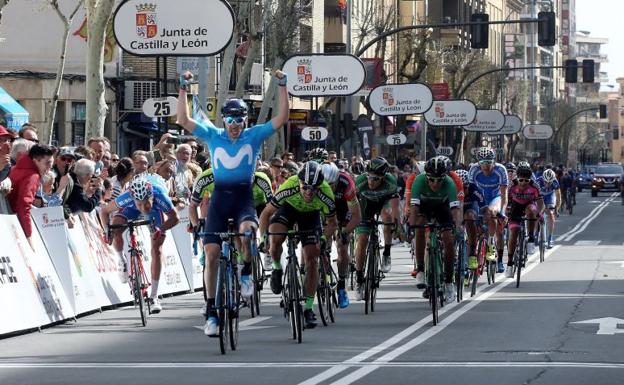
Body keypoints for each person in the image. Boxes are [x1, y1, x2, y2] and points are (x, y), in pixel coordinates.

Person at [176, 69, 289, 337]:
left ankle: (247, 271)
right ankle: (212, 311)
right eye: (230, 119)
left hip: (243, 198)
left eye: (239, 119)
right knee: (212, 255)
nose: (235, 124)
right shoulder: (213, 135)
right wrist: (183, 88)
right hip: (218, 201)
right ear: (224, 120)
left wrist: (282, 85)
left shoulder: (254, 135)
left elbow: (282, 117)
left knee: (249, 232)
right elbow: (183, 119)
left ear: (245, 121)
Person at [259, 161, 338, 328]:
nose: (309, 192)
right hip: (288, 209)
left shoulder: (326, 193)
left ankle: (308, 308)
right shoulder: (290, 185)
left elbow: (332, 223)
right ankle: (277, 268)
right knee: (276, 238)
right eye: (305, 187)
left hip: (310, 217)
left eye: (313, 188)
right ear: (299, 182)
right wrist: (263, 237)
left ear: (320, 186)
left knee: (312, 260)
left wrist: (323, 238)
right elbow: (266, 213)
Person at [100, 176, 180, 314]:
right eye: (140, 204)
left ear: (151, 197)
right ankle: (121, 259)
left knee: (156, 249)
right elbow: (104, 211)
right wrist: (107, 231)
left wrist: (160, 229)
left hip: (155, 211)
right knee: (115, 227)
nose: (143, 207)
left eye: (146, 203)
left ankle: (154, 297)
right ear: (133, 198)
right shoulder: (127, 197)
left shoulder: (159, 196)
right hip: (131, 209)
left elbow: (175, 218)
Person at [408, 157, 463, 302]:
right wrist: (411, 227)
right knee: (419, 227)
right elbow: (414, 207)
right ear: (426, 177)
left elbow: (455, 210)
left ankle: (449, 281)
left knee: (448, 240)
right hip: (424, 207)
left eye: (439, 180)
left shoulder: (449, 183)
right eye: (432, 180)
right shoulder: (419, 181)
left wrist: (457, 227)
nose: (435, 183)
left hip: (442, 208)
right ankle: (420, 269)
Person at [354, 157, 400, 300]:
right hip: (365, 205)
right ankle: (359, 278)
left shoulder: (390, 181)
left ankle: (386, 252)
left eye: (375, 178)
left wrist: (396, 224)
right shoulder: (360, 181)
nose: (371, 181)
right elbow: (352, 203)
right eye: (369, 177)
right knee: (362, 241)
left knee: (387, 217)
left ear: (383, 177)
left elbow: (395, 206)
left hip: (383, 203)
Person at [321, 161, 360, 309]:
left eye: (332, 184)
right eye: (326, 184)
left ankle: (342, 286)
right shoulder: (316, 185)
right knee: (318, 242)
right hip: (323, 210)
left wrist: (344, 232)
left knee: (342, 247)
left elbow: (356, 215)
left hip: (343, 209)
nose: (328, 188)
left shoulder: (346, 182)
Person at [468, 148, 509, 273]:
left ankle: (493, 248)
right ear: (478, 162)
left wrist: (502, 212)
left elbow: (504, 195)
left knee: (492, 215)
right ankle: (471, 255)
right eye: (483, 162)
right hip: (479, 197)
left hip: (495, 198)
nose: (486, 166)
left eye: (488, 162)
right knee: (470, 220)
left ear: (494, 161)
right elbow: (470, 191)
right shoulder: (474, 169)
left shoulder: (500, 170)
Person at [7, 144, 55, 244]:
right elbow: (24, 205)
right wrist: (28, 235)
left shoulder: (15, 168)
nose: (49, 168)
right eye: (47, 163)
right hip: (12, 223)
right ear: (35, 160)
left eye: (51, 163)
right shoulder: (32, 176)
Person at [505, 163, 544, 277]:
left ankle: (531, 238)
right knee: (514, 232)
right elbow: (505, 200)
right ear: (517, 178)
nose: (523, 183)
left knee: (532, 211)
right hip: (515, 207)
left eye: (526, 181)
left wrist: (540, 214)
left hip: (528, 205)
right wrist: (505, 212)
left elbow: (541, 204)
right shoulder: (512, 185)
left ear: (530, 179)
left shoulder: (534, 186)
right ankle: (510, 262)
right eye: (521, 180)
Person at [536, 168, 560, 248]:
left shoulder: (555, 183)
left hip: (550, 196)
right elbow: (533, 195)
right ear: (543, 179)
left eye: (550, 182)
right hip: (540, 196)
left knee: (551, 213)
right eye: (546, 182)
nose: (547, 184)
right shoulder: (538, 181)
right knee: (536, 213)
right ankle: (536, 234)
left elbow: (558, 197)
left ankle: (550, 237)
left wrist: (557, 208)